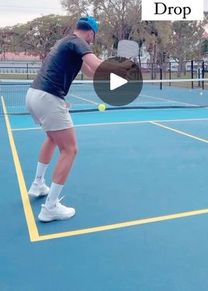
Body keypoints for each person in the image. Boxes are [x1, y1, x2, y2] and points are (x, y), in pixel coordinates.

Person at [26, 16, 130, 222]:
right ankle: (51, 207)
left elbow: (91, 72)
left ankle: (38, 184)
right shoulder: (79, 42)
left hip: (34, 95)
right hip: (48, 97)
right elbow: (97, 63)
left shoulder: (65, 42)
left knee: (53, 139)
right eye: (94, 36)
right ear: (90, 33)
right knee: (70, 149)